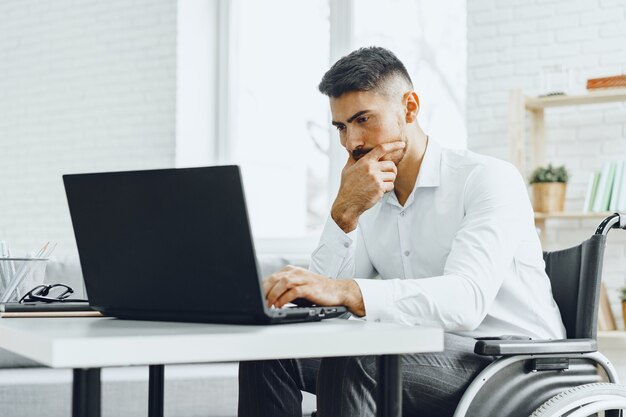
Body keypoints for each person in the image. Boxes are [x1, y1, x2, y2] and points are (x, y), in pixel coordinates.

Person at [238, 46, 566, 417]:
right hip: (423, 353)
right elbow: (327, 302)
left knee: (358, 360)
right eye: (341, 127)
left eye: (363, 119)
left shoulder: (487, 178)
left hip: (515, 366)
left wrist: (347, 292)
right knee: (268, 353)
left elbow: (465, 301)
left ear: (410, 107)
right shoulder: (369, 195)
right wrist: (344, 213)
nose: (351, 143)